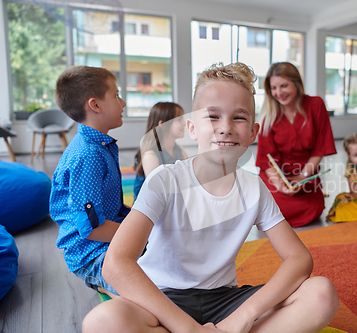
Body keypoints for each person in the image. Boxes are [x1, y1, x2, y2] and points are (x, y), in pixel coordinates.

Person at [82, 62, 339, 333]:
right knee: (101, 322)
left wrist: (241, 318)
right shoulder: (164, 180)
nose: (226, 127)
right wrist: (188, 328)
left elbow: (299, 259)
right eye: (213, 116)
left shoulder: (255, 188)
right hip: (161, 298)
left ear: (253, 133)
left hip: (225, 299)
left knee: (321, 294)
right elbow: (116, 264)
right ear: (192, 128)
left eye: (239, 118)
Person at [50, 66, 131, 297]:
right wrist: (142, 234)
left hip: (110, 232)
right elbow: (92, 229)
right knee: (152, 295)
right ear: (95, 105)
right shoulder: (87, 156)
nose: (122, 102)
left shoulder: (99, 146)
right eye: (116, 95)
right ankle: (96, 279)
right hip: (91, 252)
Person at [256, 62, 336, 228]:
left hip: (305, 174)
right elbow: (266, 159)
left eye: (284, 86)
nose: (278, 93)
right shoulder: (268, 116)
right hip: (276, 175)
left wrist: (302, 176)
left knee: (315, 207)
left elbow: (319, 147)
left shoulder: (316, 105)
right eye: (274, 88)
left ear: (297, 83)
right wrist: (280, 185)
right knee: (275, 204)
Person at [133, 102, 188, 199]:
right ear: (162, 124)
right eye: (179, 119)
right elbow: (158, 193)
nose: (184, 123)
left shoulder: (179, 150)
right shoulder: (150, 155)